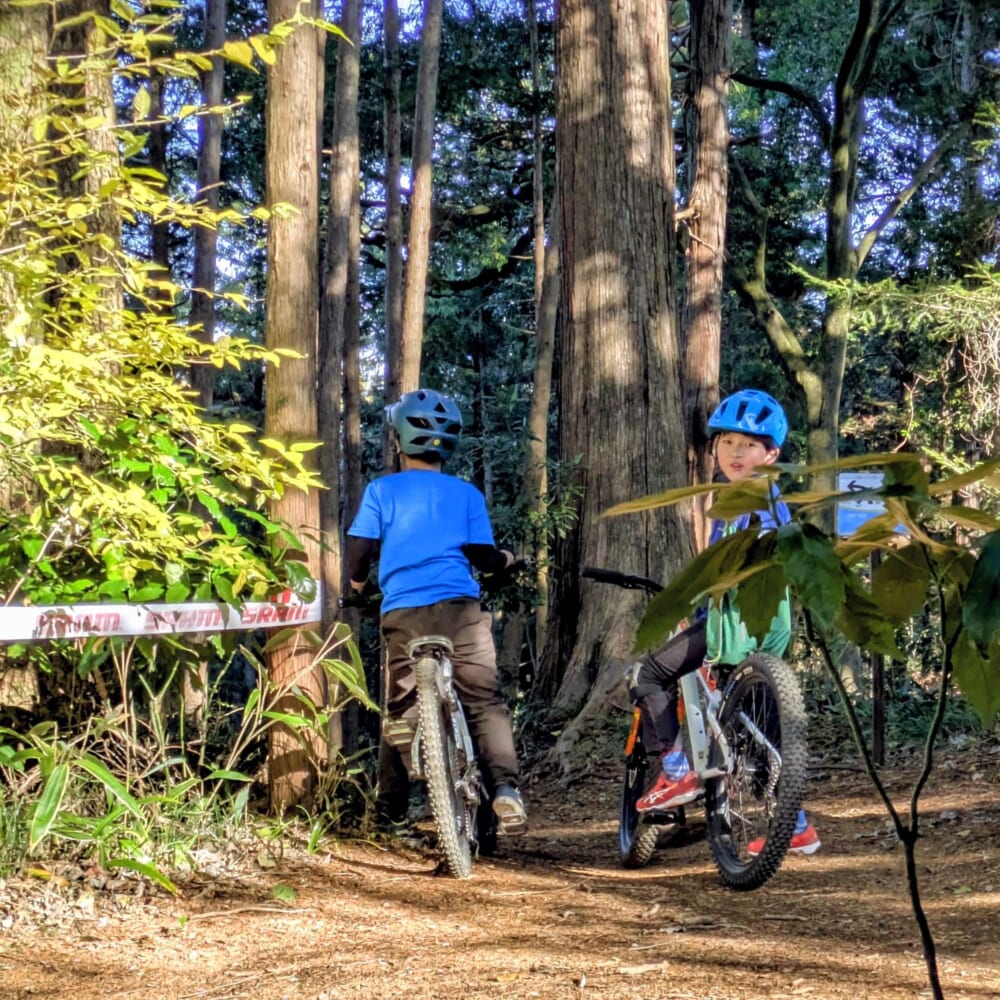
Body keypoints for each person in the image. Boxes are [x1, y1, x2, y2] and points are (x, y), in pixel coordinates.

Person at [628, 388, 820, 856]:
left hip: (732, 626)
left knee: (649, 674)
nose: (736, 453)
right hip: (765, 630)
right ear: (713, 448)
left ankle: (677, 770)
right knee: (760, 729)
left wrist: (694, 616)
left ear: (772, 454)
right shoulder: (761, 499)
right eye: (728, 442)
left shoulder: (751, 504)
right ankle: (795, 824)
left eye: (750, 445)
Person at [346, 387, 528, 839]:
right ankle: (505, 788)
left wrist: (355, 587)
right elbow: (484, 557)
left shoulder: (380, 490)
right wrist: (507, 561)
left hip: (404, 612)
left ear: (398, 441)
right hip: (459, 611)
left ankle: (402, 789)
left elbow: (360, 550)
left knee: (402, 701)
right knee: (484, 701)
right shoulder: (465, 495)